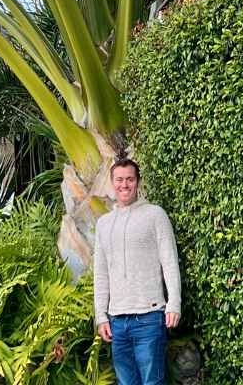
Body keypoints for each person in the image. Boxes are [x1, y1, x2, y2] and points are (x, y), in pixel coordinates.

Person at [93, 157, 181, 385]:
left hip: (149, 318)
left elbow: (169, 262)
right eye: (120, 180)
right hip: (117, 321)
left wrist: (174, 303)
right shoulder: (103, 224)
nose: (125, 185)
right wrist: (100, 315)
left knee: (152, 382)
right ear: (111, 183)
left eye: (130, 179)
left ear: (138, 182)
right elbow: (101, 274)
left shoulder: (155, 215)